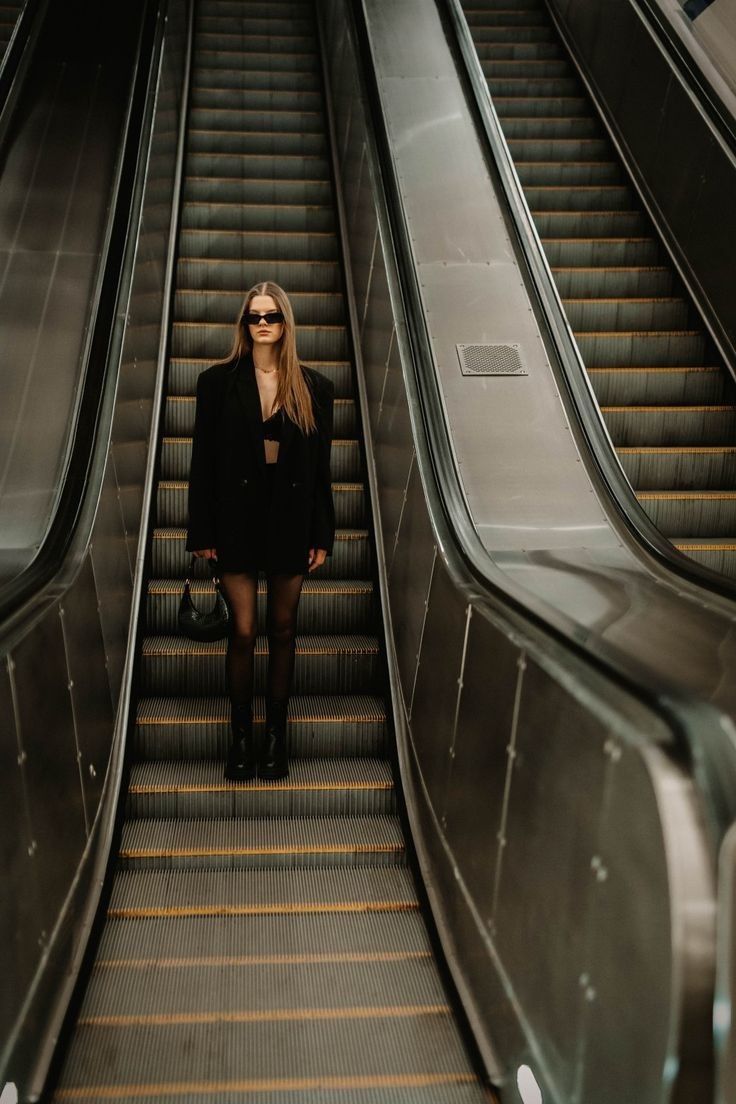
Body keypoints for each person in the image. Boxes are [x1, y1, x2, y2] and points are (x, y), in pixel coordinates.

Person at [185, 281, 335, 782]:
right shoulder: (217, 383)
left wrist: (322, 533)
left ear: (286, 323)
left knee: (285, 630)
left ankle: (276, 739)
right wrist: (202, 531)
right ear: (244, 324)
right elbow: (202, 463)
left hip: (290, 521)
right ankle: (241, 739)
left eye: (271, 315)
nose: (263, 323)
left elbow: (320, 470)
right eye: (254, 316)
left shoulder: (314, 387)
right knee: (244, 631)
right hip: (236, 522)